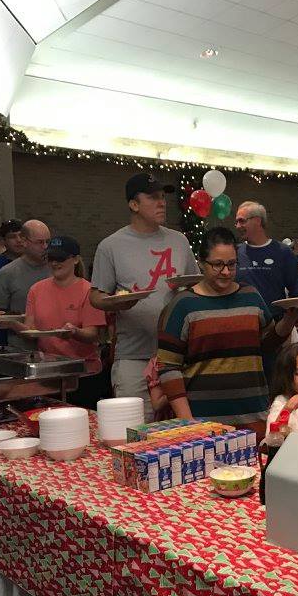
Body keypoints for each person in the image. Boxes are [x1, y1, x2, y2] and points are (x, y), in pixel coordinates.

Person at [156, 227, 298, 438]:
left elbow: (266, 345)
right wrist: (188, 423)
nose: (225, 271)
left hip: (253, 419)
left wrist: (289, 320)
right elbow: (168, 368)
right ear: (201, 263)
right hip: (203, 424)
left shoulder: (251, 296)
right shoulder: (181, 306)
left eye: (232, 264)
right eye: (217, 264)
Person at [91, 173, 200, 421]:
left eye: (163, 197)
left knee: (181, 432)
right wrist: (119, 302)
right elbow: (96, 296)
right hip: (133, 357)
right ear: (134, 204)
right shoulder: (111, 246)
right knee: (134, 433)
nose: (161, 203)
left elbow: (195, 284)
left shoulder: (179, 241)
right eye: (153, 198)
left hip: (177, 357)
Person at [3, 236, 108, 409]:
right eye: (50, 258)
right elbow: (32, 331)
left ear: (75, 259)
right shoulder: (37, 290)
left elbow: (93, 335)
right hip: (49, 373)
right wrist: (11, 323)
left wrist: (75, 332)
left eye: (60, 259)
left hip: (83, 374)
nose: (54, 264)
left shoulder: (88, 291)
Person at [0, 220, 52, 351]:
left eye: (48, 242)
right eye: (40, 242)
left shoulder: (58, 268)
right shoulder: (7, 273)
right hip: (21, 349)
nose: (45, 247)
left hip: (57, 347)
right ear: (24, 241)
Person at [235, 202, 298, 315]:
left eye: (242, 221)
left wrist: (289, 322)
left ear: (257, 220)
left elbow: (297, 293)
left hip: (276, 326)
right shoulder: (235, 252)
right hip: (242, 323)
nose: (237, 226)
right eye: (236, 222)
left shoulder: (283, 252)